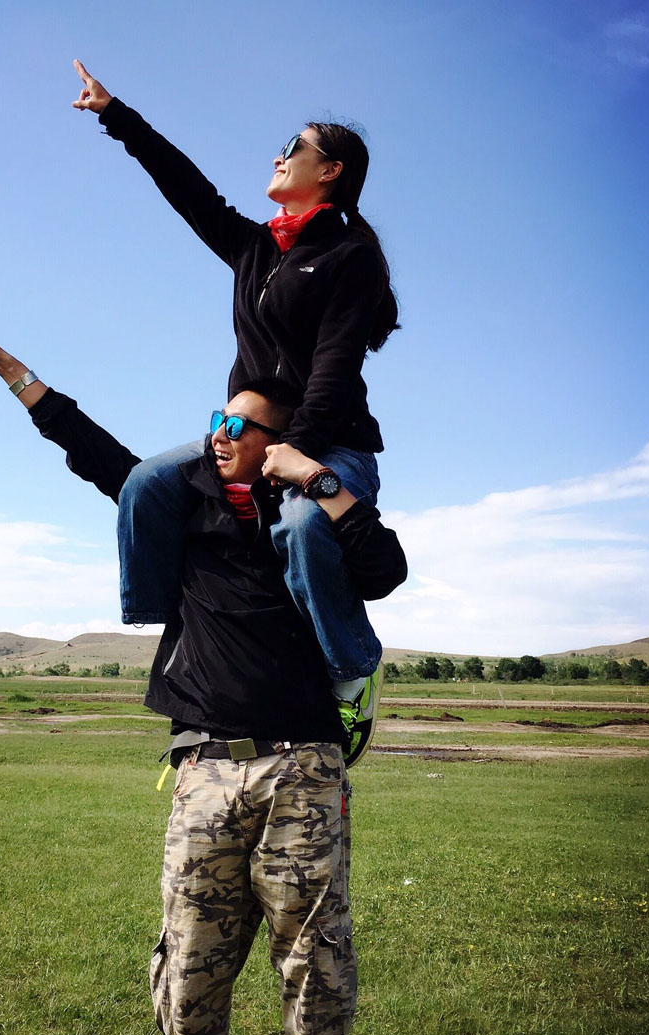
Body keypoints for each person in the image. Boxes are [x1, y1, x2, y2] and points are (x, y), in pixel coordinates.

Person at [0, 313, 406, 1035]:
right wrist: (7, 369)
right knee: (189, 974)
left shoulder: (308, 534)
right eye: (216, 419)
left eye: (240, 424)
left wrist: (318, 482)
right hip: (204, 771)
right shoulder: (187, 518)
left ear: (277, 444)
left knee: (315, 975)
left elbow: (386, 567)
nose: (220, 432)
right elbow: (95, 454)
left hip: (304, 770)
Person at [70, 61, 400, 734]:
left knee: (307, 526)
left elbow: (334, 373)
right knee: (145, 487)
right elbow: (187, 189)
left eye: (293, 148)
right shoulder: (254, 248)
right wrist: (116, 115)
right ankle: (186, 623)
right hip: (246, 430)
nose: (278, 157)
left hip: (330, 440)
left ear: (329, 170)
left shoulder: (349, 257)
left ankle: (353, 671)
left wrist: (294, 457)